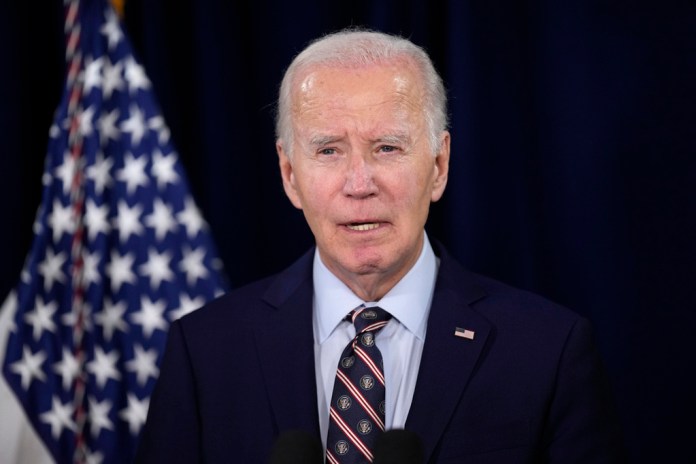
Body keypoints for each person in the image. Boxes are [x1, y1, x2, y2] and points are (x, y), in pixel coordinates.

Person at [136, 29, 626, 463]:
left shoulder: (548, 352)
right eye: (328, 150)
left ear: (438, 165)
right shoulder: (204, 353)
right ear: (289, 174)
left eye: (386, 147)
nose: (359, 183)